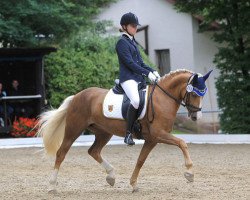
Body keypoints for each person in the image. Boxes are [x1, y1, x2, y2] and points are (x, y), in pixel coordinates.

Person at [116, 12, 161, 145]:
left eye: (136, 26)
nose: (135, 28)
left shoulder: (133, 42)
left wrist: (152, 70)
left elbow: (140, 63)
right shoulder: (122, 43)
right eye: (133, 25)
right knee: (135, 100)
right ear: (124, 26)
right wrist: (146, 74)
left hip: (137, 79)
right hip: (128, 79)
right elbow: (130, 64)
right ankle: (128, 134)